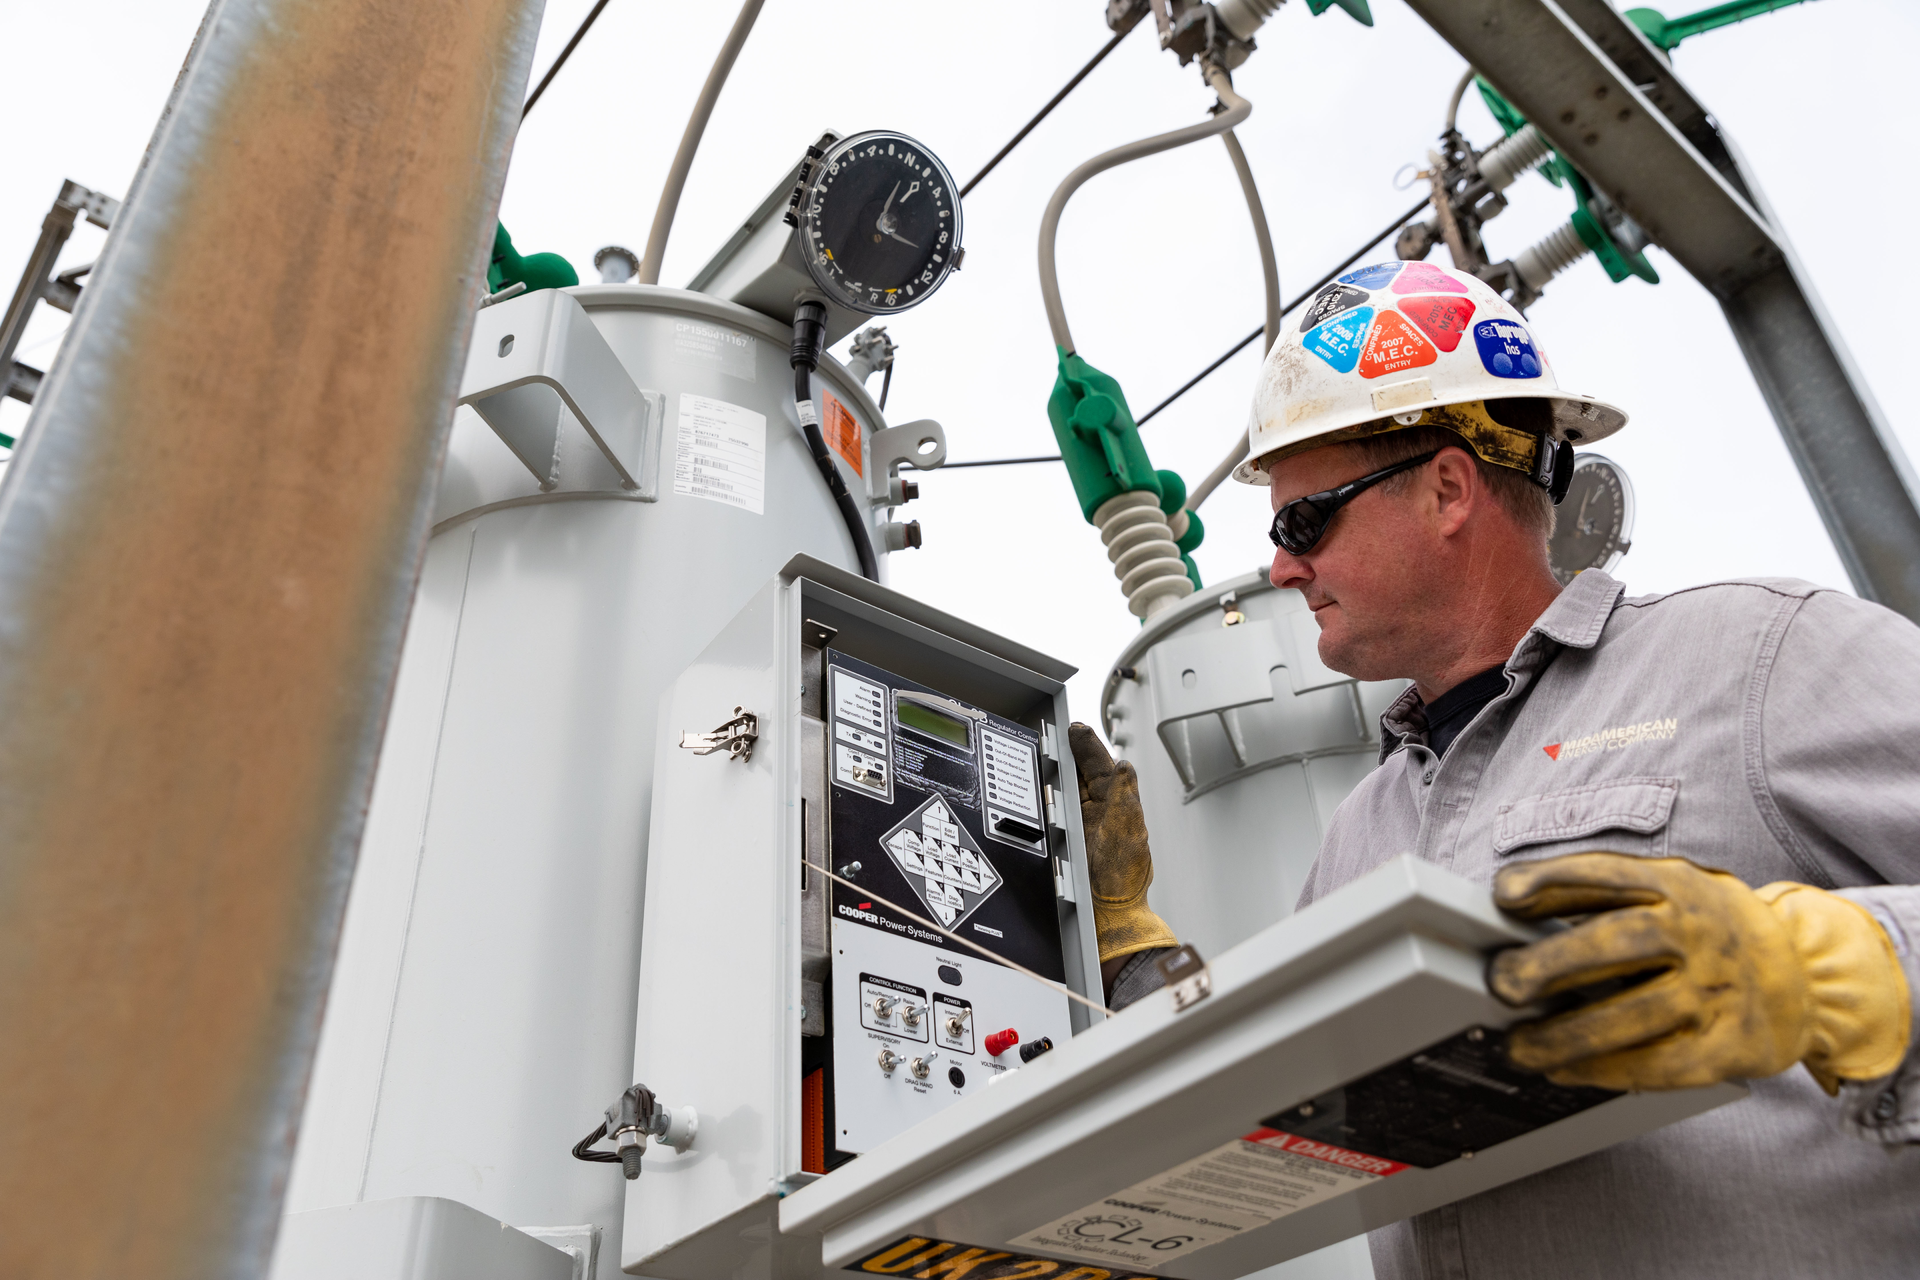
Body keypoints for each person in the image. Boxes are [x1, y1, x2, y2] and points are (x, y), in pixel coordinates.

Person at [1071, 261, 1919, 1279]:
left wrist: (1835, 968)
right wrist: (1124, 944)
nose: (1283, 567)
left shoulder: (1759, 656)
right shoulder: (1359, 833)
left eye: (1305, 521)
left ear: (1446, 488)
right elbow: (1272, 1106)